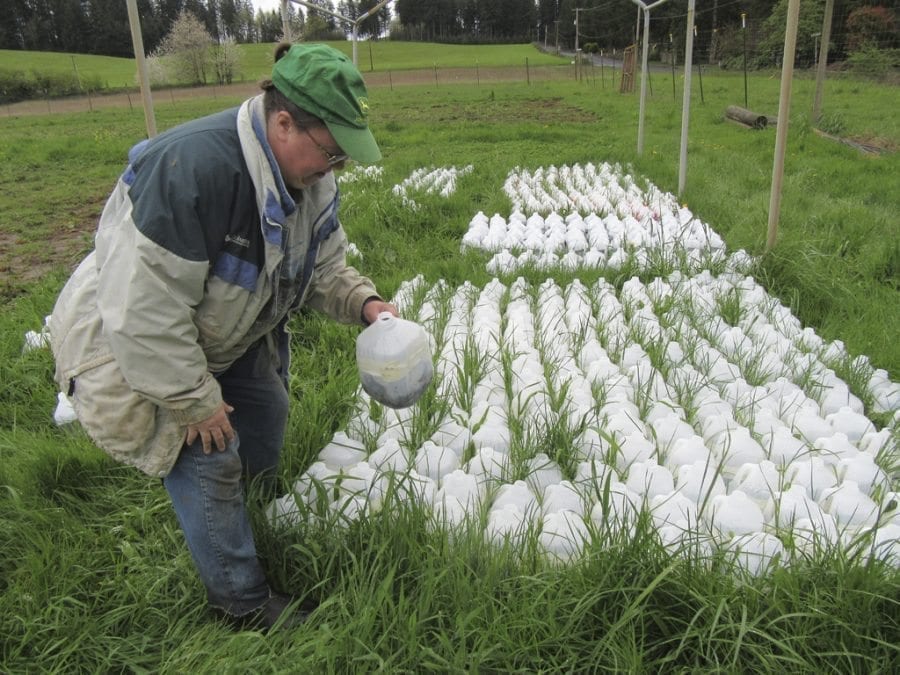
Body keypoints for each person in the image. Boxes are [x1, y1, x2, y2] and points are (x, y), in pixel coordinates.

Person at [49, 43, 397, 631]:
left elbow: (326, 267)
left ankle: (250, 516)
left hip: (220, 330)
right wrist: (194, 402)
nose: (335, 169)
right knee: (211, 451)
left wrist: (365, 304)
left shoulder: (308, 181)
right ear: (283, 122)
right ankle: (241, 603)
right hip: (132, 346)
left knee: (266, 413)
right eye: (331, 152)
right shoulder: (192, 171)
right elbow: (143, 314)